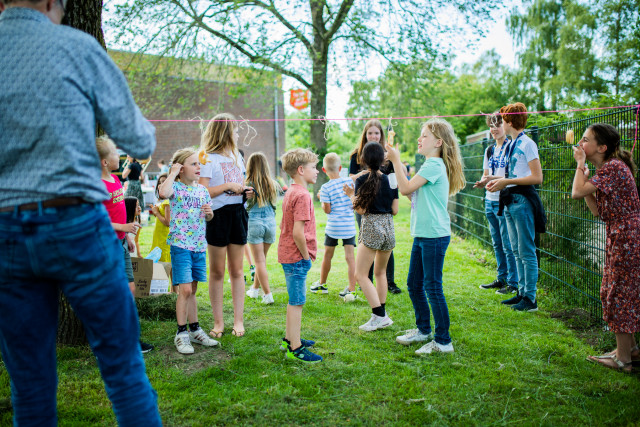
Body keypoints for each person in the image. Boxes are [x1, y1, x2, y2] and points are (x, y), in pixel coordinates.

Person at [0, 1, 162, 424]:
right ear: (55, 3)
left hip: (5, 231)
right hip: (75, 223)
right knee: (123, 367)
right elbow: (138, 139)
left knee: (29, 385)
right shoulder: (76, 46)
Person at [387, 118, 465, 354]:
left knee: (432, 287)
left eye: (424, 136)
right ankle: (423, 331)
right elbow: (413, 194)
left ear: (438, 142)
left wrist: (396, 160)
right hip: (423, 234)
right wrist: (396, 166)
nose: (419, 139)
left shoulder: (434, 164)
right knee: (414, 283)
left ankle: (443, 341)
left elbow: (405, 189)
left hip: (433, 235)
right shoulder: (430, 165)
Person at [571, 123, 640, 372]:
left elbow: (575, 191)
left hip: (627, 238)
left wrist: (580, 166)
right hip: (621, 234)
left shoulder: (612, 167)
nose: (580, 143)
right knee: (617, 289)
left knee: (620, 292)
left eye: (585, 139)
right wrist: (588, 180)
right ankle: (629, 349)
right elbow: (598, 211)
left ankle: (623, 360)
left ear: (602, 147)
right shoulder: (608, 169)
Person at [159, 148, 220, 354]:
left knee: (192, 290)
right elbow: (162, 193)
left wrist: (210, 213)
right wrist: (172, 173)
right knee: (184, 290)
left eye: (198, 164)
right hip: (180, 245)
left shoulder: (202, 191)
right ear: (181, 168)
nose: (198, 167)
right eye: (193, 164)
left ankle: (195, 330)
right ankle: (181, 333)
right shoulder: (174, 186)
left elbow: (209, 217)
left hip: (198, 246)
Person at [198, 113, 253, 338]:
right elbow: (202, 192)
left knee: (237, 270)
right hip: (217, 217)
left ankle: (238, 321)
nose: (238, 133)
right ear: (225, 132)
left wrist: (245, 191)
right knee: (218, 271)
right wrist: (226, 186)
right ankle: (218, 322)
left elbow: (239, 185)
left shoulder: (236, 157)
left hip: (237, 214)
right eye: (235, 129)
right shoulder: (207, 158)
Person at [486, 102, 545, 312]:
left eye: (502, 119)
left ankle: (531, 298)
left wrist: (506, 182)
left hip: (522, 201)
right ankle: (521, 292)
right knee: (516, 249)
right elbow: (511, 175)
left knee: (527, 251)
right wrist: (494, 179)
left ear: (509, 121)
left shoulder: (528, 144)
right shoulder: (512, 144)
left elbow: (537, 177)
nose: (500, 123)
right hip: (509, 199)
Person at [98, 136, 154, 354]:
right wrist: (123, 227)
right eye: (114, 153)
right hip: (105, 247)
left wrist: (127, 236)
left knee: (130, 289)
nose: (118, 157)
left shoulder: (115, 180)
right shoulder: (97, 185)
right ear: (103, 161)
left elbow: (119, 211)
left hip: (121, 243)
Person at [344, 143, 399, 331]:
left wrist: (351, 195)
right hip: (389, 228)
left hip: (371, 228)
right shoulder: (391, 180)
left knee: (360, 274)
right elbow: (395, 210)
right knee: (380, 272)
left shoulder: (362, 180)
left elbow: (361, 209)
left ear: (363, 160)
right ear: (383, 159)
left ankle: (379, 315)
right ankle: (380, 315)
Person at [278, 148, 322, 362]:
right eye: (314, 168)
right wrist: (306, 256)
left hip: (288, 255)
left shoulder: (291, 191)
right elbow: (298, 232)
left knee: (294, 300)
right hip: (296, 257)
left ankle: (289, 338)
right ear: (301, 169)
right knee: (297, 301)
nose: (317, 171)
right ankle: (295, 348)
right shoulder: (303, 195)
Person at [349, 119, 402, 294]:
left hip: (383, 204)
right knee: (368, 244)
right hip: (366, 203)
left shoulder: (389, 155)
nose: (373, 136)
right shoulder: (356, 155)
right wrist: (367, 174)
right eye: (370, 133)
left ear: (381, 135)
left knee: (385, 245)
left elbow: (394, 178)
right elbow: (352, 176)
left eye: (376, 133)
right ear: (365, 134)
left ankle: (389, 281)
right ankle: (366, 280)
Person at [474, 112, 519, 295]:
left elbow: (514, 175)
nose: (494, 128)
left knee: (508, 243)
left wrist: (493, 179)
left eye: (497, 124)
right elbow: (486, 174)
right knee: (497, 242)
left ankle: (513, 282)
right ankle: (501, 279)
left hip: (504, 201)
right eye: (491, 125)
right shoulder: (489, 150)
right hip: (489, 200)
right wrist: (482, 182)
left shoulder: (511, 147)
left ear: (505, 126)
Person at [312, 153, 357, 297]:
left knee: (327, 256)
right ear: (340, 167)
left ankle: (322, 284)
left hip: (333, 227)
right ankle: (352, 289)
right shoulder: (350, 183)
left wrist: (322, 200)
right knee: (350, 258)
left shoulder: (325, 188)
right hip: (348, 226)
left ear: (324, 170)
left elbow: (327, 210)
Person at [244, 152, 280, 305]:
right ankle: (254, 289)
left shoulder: (247, 185)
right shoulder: (273, 184)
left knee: (259, 261)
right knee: (262, 260)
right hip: (270, 225)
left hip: (254, 224)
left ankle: (267, 295)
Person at [150, 173, 171, 263]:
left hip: (163, 238)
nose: (160, 185)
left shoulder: (167, 202)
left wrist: (156, 213)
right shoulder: (163, 201)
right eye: (160, 182)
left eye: (164, 182)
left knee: (164, 263)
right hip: (159, 237)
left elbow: (167, 222)